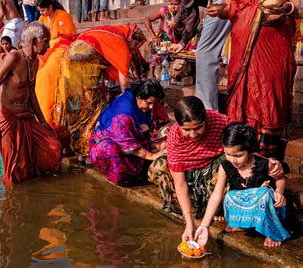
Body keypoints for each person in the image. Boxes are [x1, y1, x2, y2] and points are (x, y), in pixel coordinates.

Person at [147, 96, 284, 242]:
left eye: (198, 127)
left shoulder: (219, 122)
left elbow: (241, 143)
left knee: (229, 167)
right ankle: (199, 208)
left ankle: (218, 211)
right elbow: (180, 183)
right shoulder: (174, 138)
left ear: (205, 119)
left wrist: (268, 161)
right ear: (178, 125)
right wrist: (190, 223)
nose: (193, 135)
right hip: (190, 172)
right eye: (187, 130)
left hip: (213, 167)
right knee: (158, 167)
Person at [207, 0, 302, 156]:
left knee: (268, 92)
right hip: (242, 46)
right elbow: (230, 8)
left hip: (272, 47)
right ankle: (241, 147)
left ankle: (266, 152)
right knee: (243, 90)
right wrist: (218, 11)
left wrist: (285, 8)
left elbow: (300, 8)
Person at [143, 0, 231, 111]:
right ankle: (207, 107)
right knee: (203, 53)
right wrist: (182, 43)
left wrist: (176, 19)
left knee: (205, 53)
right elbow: (193, 13)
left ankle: (207, 111)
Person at [53, 24, 147, 156]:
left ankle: (72, 147)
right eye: (136, 43)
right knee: (92, 108)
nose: (135, 47)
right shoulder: (121, 43)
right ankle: (87, 149)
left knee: (75, 108)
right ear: (131, 38)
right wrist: (128, 101)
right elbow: (124, 81)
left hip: (68, 63)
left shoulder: (111, 32)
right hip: (83, 69)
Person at [0, 22, 62, 186]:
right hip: (7, 115)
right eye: (46, 41)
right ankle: (11, 205)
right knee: (13, 169)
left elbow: (32, 93)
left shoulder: (35, 61)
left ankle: (35, 190)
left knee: (53, 146)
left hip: (25, 116)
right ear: (34, 42)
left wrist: (42, 121)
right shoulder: (14, 57)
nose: (48, 46)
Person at [195, 122, 290, 248]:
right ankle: (242, 224)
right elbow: (216, 195)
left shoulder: (264, 164)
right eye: (228, 154)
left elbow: (280, 179)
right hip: (247, 206)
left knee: (265, 194)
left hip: (265, 208)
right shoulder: (226, 166)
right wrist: (204, 225)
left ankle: (271, 232)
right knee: (229, 196)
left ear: (249, 149)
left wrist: (279, 191)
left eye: (238, 155)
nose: (233, 160)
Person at [88, 80, 167, 186]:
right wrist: (152, 156)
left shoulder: (139, 99)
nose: (152, 107)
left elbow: (163, 121)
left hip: (133, 140)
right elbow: (126, 143)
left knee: (164, 143)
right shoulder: (123, 114)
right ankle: (122, 178)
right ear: (139, 97)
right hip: (109, 145)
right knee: (109, 149)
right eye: (149, 103)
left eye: (154, 103)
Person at [35, 0, 77, 124]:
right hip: (47, 48)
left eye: (42, 10)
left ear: (50, 7)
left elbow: (70, 36)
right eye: (39, 11)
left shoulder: (62, 16)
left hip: (62, 48)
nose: (41, 13)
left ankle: (48, 113)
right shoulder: (42, 18)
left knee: (46, 73)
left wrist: (54, 43)